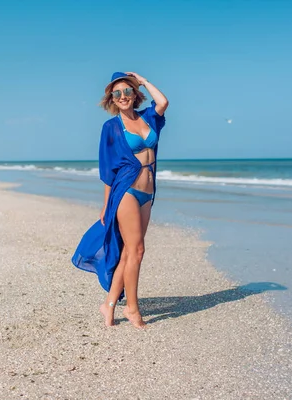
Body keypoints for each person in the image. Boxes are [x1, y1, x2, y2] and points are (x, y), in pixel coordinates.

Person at [72, 72, 169, 328]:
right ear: (112, 99)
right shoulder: (112, 127)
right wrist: (106, 204)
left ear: (135, 95)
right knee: (137, 250)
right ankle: (133, 309)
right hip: (125, 191)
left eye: (127, 91)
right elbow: (107, 170)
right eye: (117, 93)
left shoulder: (148, 118)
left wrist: (144, 81)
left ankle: (109, 305)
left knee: (129, 251)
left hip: (148, 193)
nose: (123, 96)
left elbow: (163, 103)